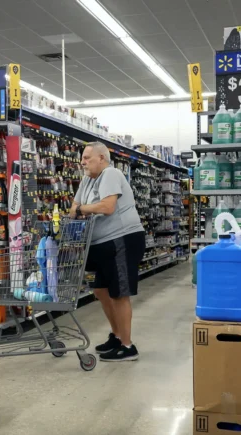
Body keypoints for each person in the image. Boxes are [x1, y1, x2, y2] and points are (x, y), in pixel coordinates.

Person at [69, 142, 145, 362]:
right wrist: (78, 209)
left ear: (102, 158)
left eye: (87, 158)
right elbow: (73, 207)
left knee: (119, 293)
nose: (82, 162)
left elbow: (107, 207)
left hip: (122, 239)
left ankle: (128, 346)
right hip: (101, 242)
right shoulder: (87, 180)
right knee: (101, 291)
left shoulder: (110, 173)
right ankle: (117, 335)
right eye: (82, 158)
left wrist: (82, 209)